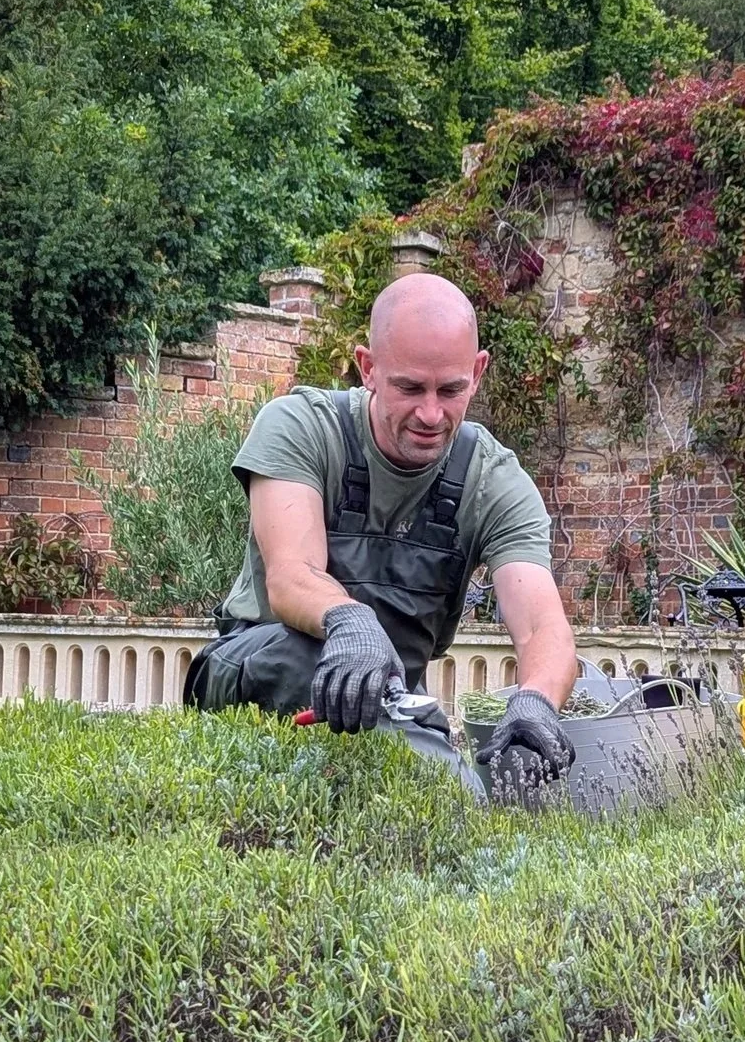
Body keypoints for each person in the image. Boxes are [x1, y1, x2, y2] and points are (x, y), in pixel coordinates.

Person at [183, 273, 580, 798]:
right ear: (368, 368)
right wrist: (352, 622)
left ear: (478, 373)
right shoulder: (301, 427)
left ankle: (440, 790)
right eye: (410, 388)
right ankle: (450, 796)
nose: (431, 414)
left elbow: (542, 628)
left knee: (420, 747)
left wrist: (536, 699)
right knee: (305, 655)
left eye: (451, 390)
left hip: (389, 700)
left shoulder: (493, 479)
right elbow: (290, 575)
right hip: (257, 665)